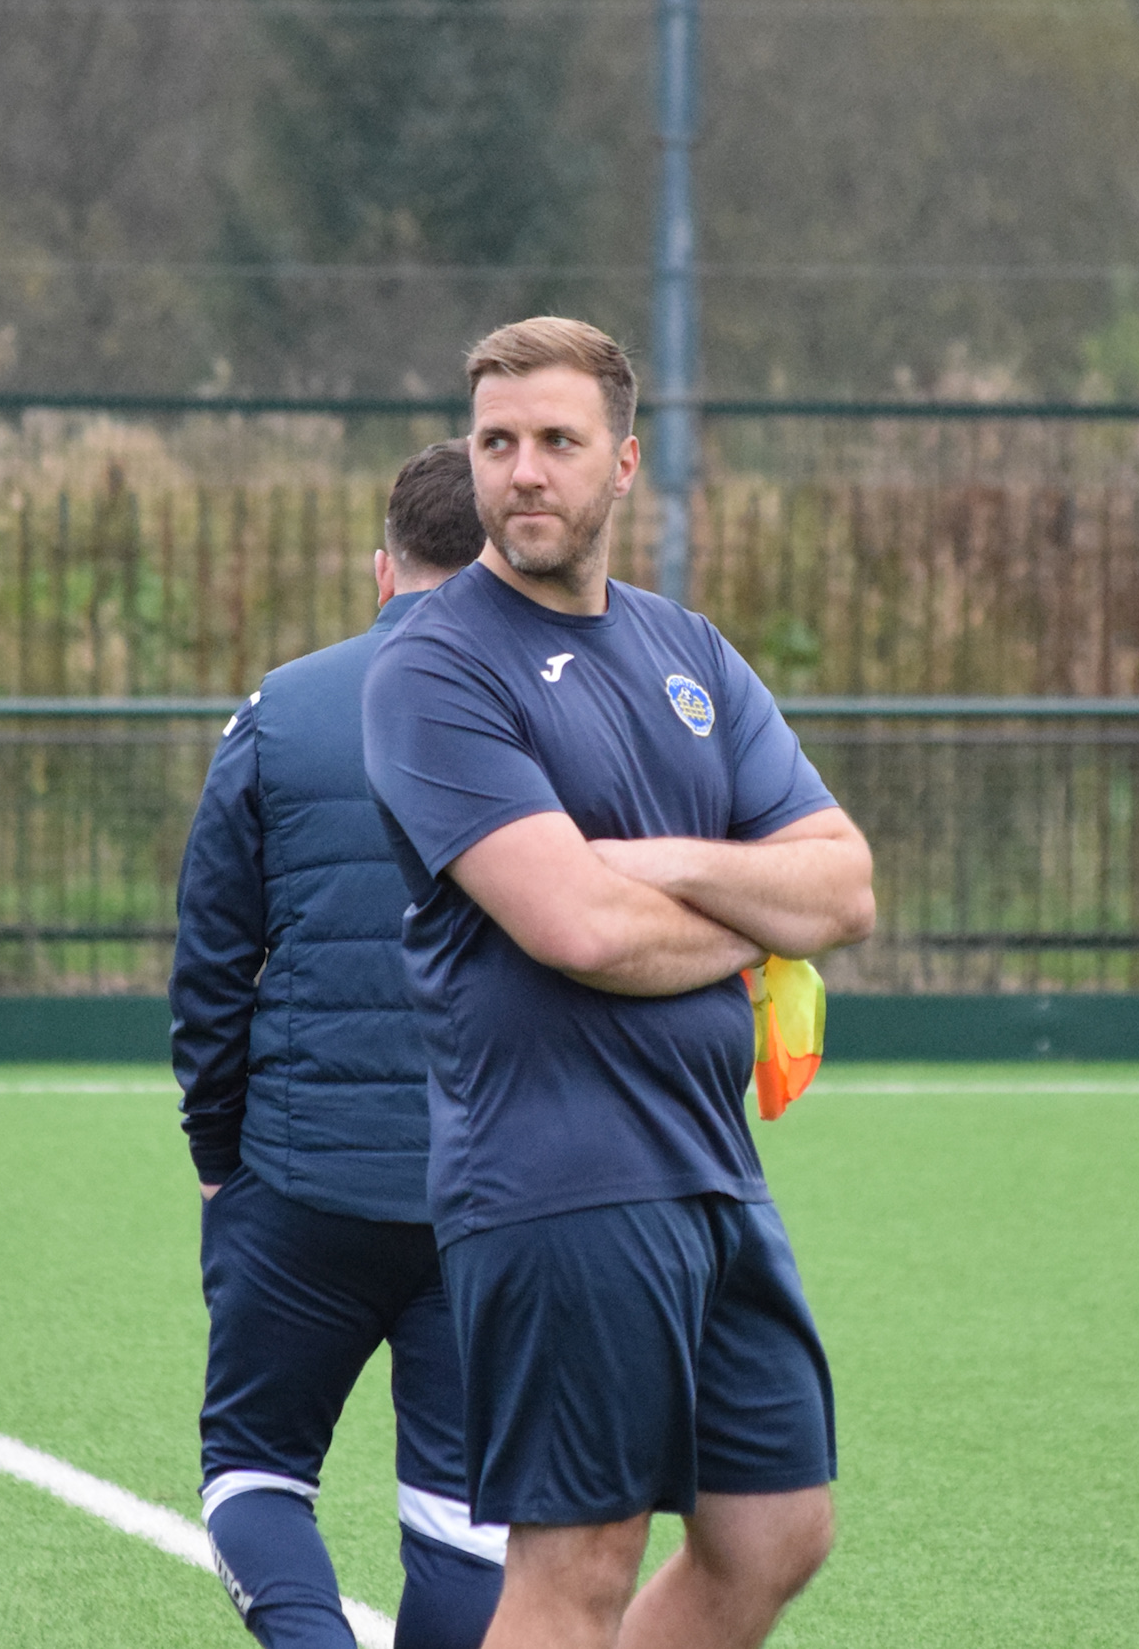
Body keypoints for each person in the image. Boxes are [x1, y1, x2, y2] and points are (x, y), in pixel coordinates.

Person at [361, 318, 876, 1649]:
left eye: (557, 440)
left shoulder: (686, 648)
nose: (523, 471)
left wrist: (670, 864)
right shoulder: (433, 662)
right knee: (577, 1568)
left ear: (625, 461)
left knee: (774, 1530)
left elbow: (844, 886)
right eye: (496, 442)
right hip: (559, 1175)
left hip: (710, 1164)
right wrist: (755, 916)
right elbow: (578, 928)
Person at [172, 440, 508, 1649]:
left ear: (382, 567)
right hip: (491, 1190)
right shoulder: (558, 713)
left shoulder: (284, 709)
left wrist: (217, 1153)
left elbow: (212, 961)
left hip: (299, 1179)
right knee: (465, 1520)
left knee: (253, 1472)